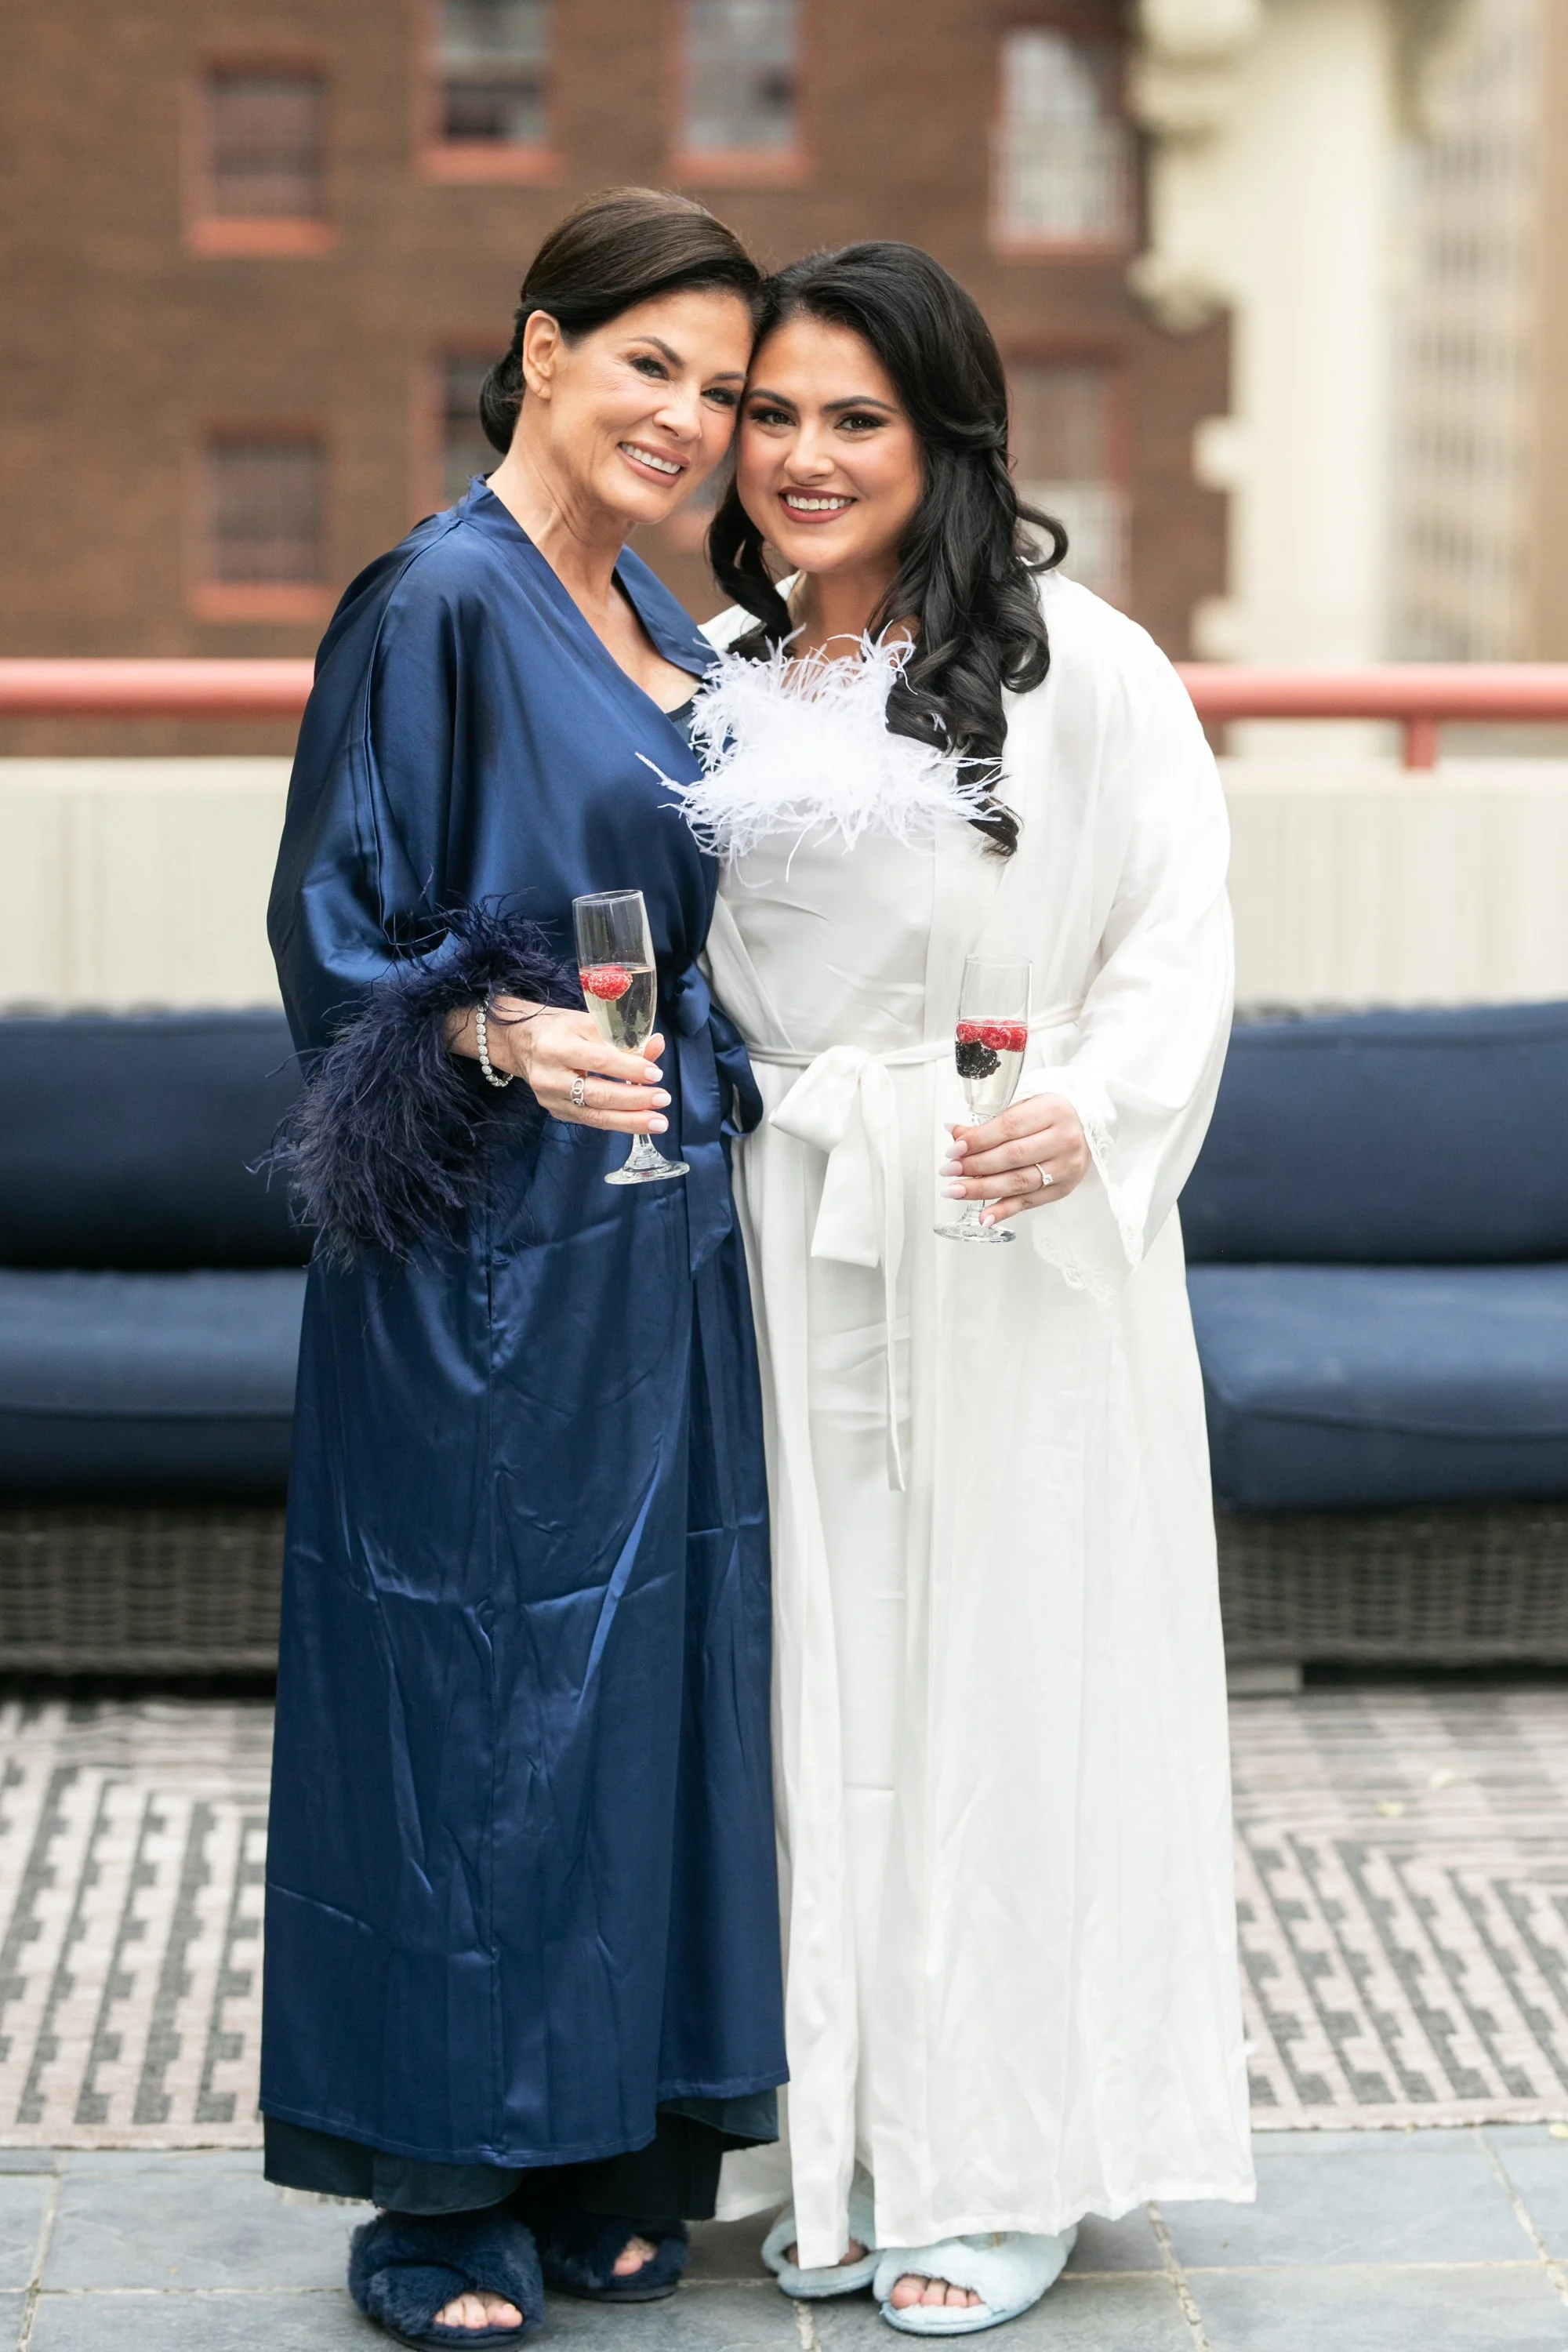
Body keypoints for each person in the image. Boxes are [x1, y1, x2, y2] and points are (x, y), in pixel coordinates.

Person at [674, 243, 1254, 2336]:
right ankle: (836, 2138)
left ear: (947, 442)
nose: (806, 457)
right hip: (786, 1238)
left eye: (860, 419)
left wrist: (1091, 1113)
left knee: (1003, 1689)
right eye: (774, 415)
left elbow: (1175, 943)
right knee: (816, 1692)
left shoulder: (1082, 669)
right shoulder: (720, 674)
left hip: (1005, 1240)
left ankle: (999, 2159)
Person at [260, 187, 786, 2349]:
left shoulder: (665, 612)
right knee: (470, 1688)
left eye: (723, 389)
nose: (690, 418)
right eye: (652, 362)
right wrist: (490, 1033)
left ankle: (604, 2141)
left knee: (644, 1679)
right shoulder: (441, 601)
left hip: (659, 1238)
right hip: (480, 1250)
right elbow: (329, 923)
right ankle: (443, 2183)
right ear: (542, 348)